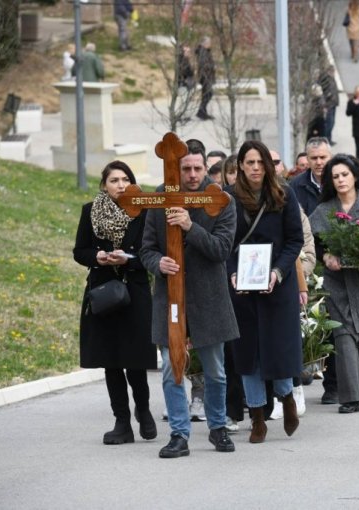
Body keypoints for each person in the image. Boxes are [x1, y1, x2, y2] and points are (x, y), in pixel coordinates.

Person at [140, 138, 238, 458]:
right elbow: (146, 249)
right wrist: (158, 263)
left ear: (207, 166)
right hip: (170, 297)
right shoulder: (160, 197)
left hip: (209, 297)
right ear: (175, 168)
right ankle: (179, 434)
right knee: (172, 368)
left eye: (198, 167)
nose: (193, 174)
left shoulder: (221, 199)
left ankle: (218, 427)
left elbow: (221, 250)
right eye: (186, 168)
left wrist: (190, 226)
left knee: (216, 371)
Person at [73, 161, 156, 445]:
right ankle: (122, 421)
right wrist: (98, 257)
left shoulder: (143, 212)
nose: (120, 185)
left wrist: (128, 259)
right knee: (111, 360)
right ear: (104, 185)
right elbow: (79, 250)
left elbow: (150, 251)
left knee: (134, 357)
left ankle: (143, 411)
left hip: (134, 290)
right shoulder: (90, 211)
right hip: (104, 292)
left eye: (125, 179)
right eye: (114, 180)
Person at [226, 140, 304, 442]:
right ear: (241, 166)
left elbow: (294, 240)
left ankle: (286, 400)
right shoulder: (229, 199)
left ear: (268, 166)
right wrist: (233, 273)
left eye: (260, 162)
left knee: (278, 349)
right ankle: (257, 416)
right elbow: (226, 243)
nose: (255, 168)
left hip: (277, 285)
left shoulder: (284, 194)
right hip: (242, 287)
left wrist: (278, 272)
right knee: (248, 354)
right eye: (249, 163)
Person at [310, 156, 359, 414]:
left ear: (355, 175)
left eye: (345, 174)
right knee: (344, 337)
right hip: (338, 283)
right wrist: (325, 256)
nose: (341, 180)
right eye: (335, 176)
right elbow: (311, 240)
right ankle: (350, 397)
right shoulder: (324, 210)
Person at [290, 137, 333, 216]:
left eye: (323, 157)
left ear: (331, 157)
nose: (319, 162)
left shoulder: (340, 181)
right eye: (314, 158)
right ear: (307, 159)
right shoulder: (295, 185)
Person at [195, 36, 215, 121]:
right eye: (209, 43)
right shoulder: (203, 52)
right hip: (206, 77)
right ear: (205, 43)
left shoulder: (205, 51)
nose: (210, 44)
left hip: (206, 76)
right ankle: (201, 111)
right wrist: (212, 66)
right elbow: (203, 64)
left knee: (206, 94)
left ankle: (203, 112)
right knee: (208, 94)